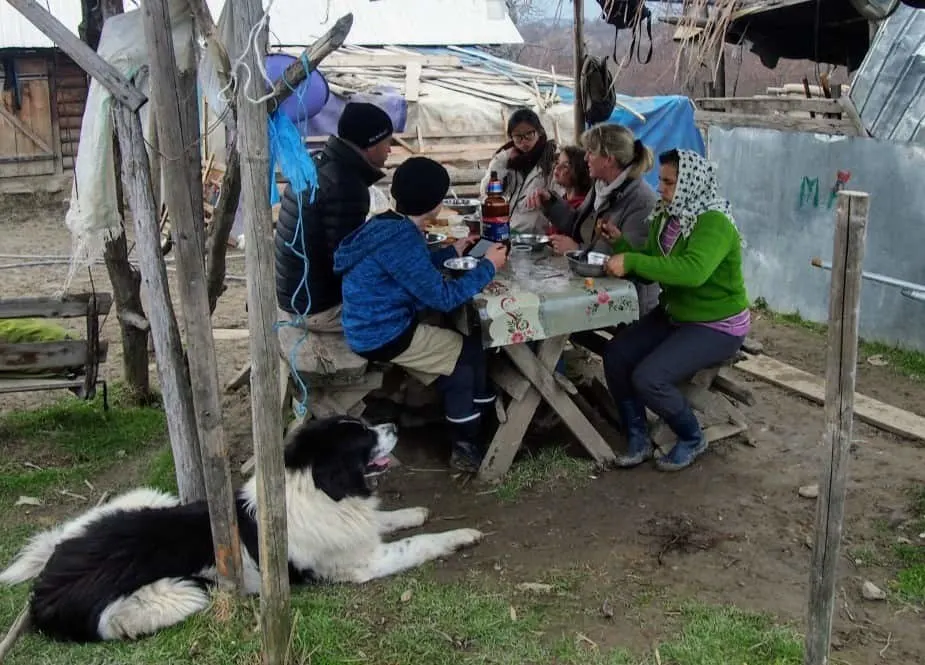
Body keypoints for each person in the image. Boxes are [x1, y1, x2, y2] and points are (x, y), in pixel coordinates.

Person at [334, 157, 509, 472]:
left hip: (367, 323)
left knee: (464, 343)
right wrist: (488, 266)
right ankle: (467, 444)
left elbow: (411, 269)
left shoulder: (386, 224)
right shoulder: (402, 238)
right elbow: (443, 297)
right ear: (437, 204)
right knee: (467, 356)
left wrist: (451, 252)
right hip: (382, 333)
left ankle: (470, 418)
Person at [601, 149, 750, 472]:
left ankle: (692, 436)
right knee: (615, 355)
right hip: (678, 313)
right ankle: (637, 436)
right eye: (662, 181)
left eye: (669, 183)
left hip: (717, 323)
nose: (662, 189)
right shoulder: (667, 215)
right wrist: (622, 246)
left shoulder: (714, 222)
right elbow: (656, 265)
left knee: (649, 377)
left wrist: (633, 261)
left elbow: (692, 271)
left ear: (691, 184)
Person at [275, 101, 394, 325]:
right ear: (371, 144)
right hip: (316, 305)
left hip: (294, 291)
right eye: (387, 141)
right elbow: (345, 262)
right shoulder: (346, 184)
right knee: (404, 304)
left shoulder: (320, 163)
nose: (390, 149)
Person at [527, 123, 660, 315]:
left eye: (591, 152)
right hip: (591, 286)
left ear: (608, 159)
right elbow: (578, 225)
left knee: (547, 313)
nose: (585, 157)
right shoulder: (601, 187)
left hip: (627, 302)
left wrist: (577, 250)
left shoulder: (641, 201)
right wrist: (551, 204)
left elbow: (630, 262)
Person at [479, 108, 558, 234]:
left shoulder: (551, 160)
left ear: (539, 132)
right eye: (518, 137)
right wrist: (500, 163)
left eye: (529, 134)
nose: (524, 141)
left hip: (536, 235)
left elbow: (560, 199)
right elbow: (486, 193)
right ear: (511, 137)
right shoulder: (508, 160)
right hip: (510, 231)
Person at [553, 145, 592, 211]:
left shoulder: (581, 207)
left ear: (578, 172)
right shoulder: (563, 199)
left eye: (565, 166)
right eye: (558, 162)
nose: (557, 167)